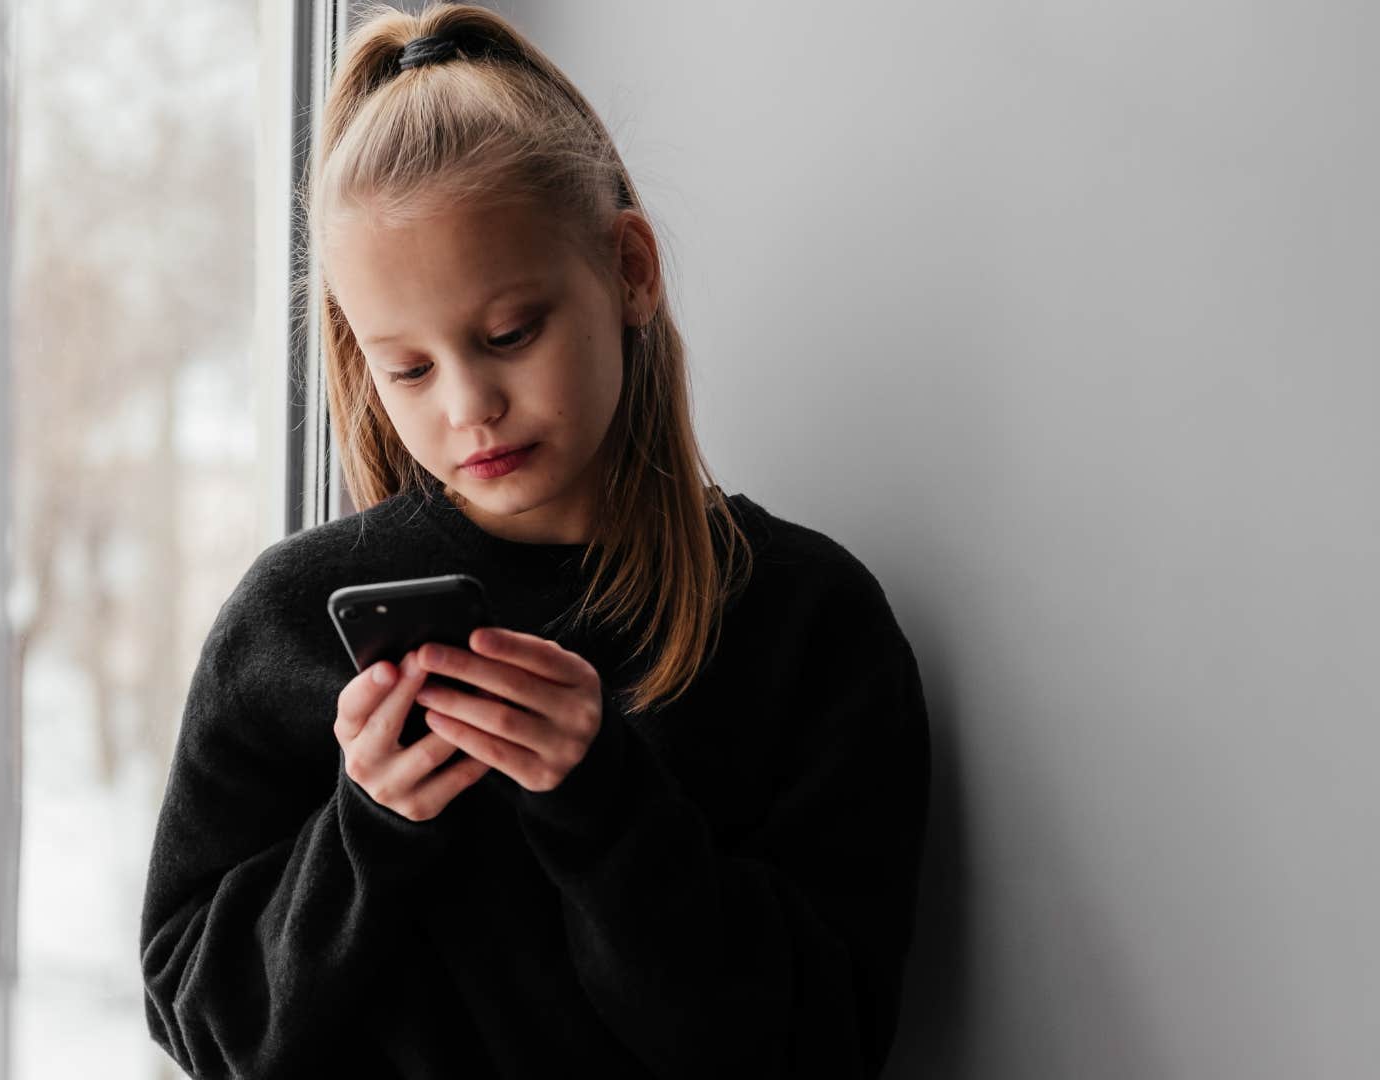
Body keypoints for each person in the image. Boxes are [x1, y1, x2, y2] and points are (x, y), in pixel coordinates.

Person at [139, 3, 932, 1077]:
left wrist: (603, 805)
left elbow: (818, 1048)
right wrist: (366, 830)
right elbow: (206, 1029)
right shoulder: (287, 621)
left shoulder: (805, 622)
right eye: (407, 368)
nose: (469, 406)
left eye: (510, 334)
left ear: (633, 271)